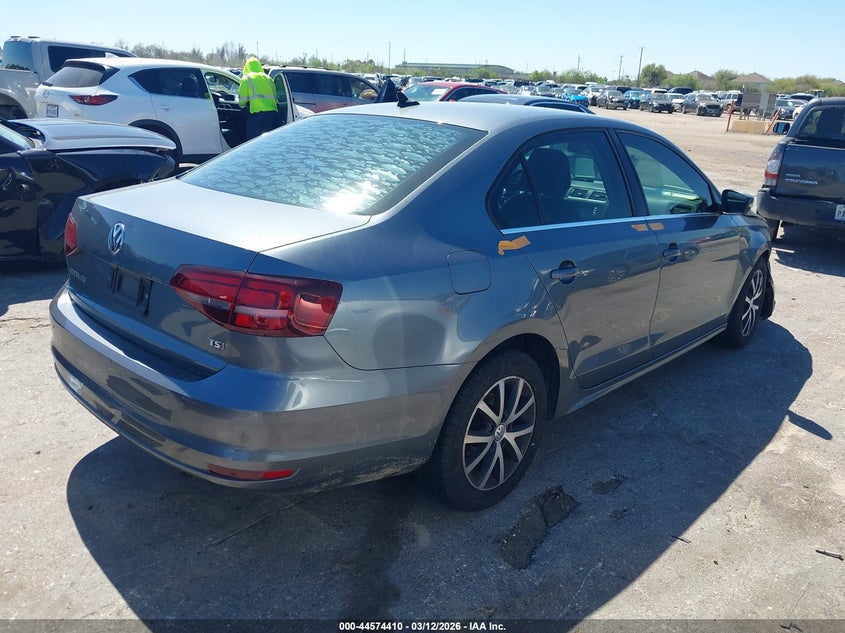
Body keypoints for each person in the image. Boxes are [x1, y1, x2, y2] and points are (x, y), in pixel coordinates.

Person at [238, 57, 281, 140]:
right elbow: (275, 98)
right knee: (270, 142)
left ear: (246, 67)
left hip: (257, 118)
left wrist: (243, 108)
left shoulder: (247, 78)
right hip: (272, 116)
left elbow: (242, 101)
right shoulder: (268, 78)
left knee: (253, 144)